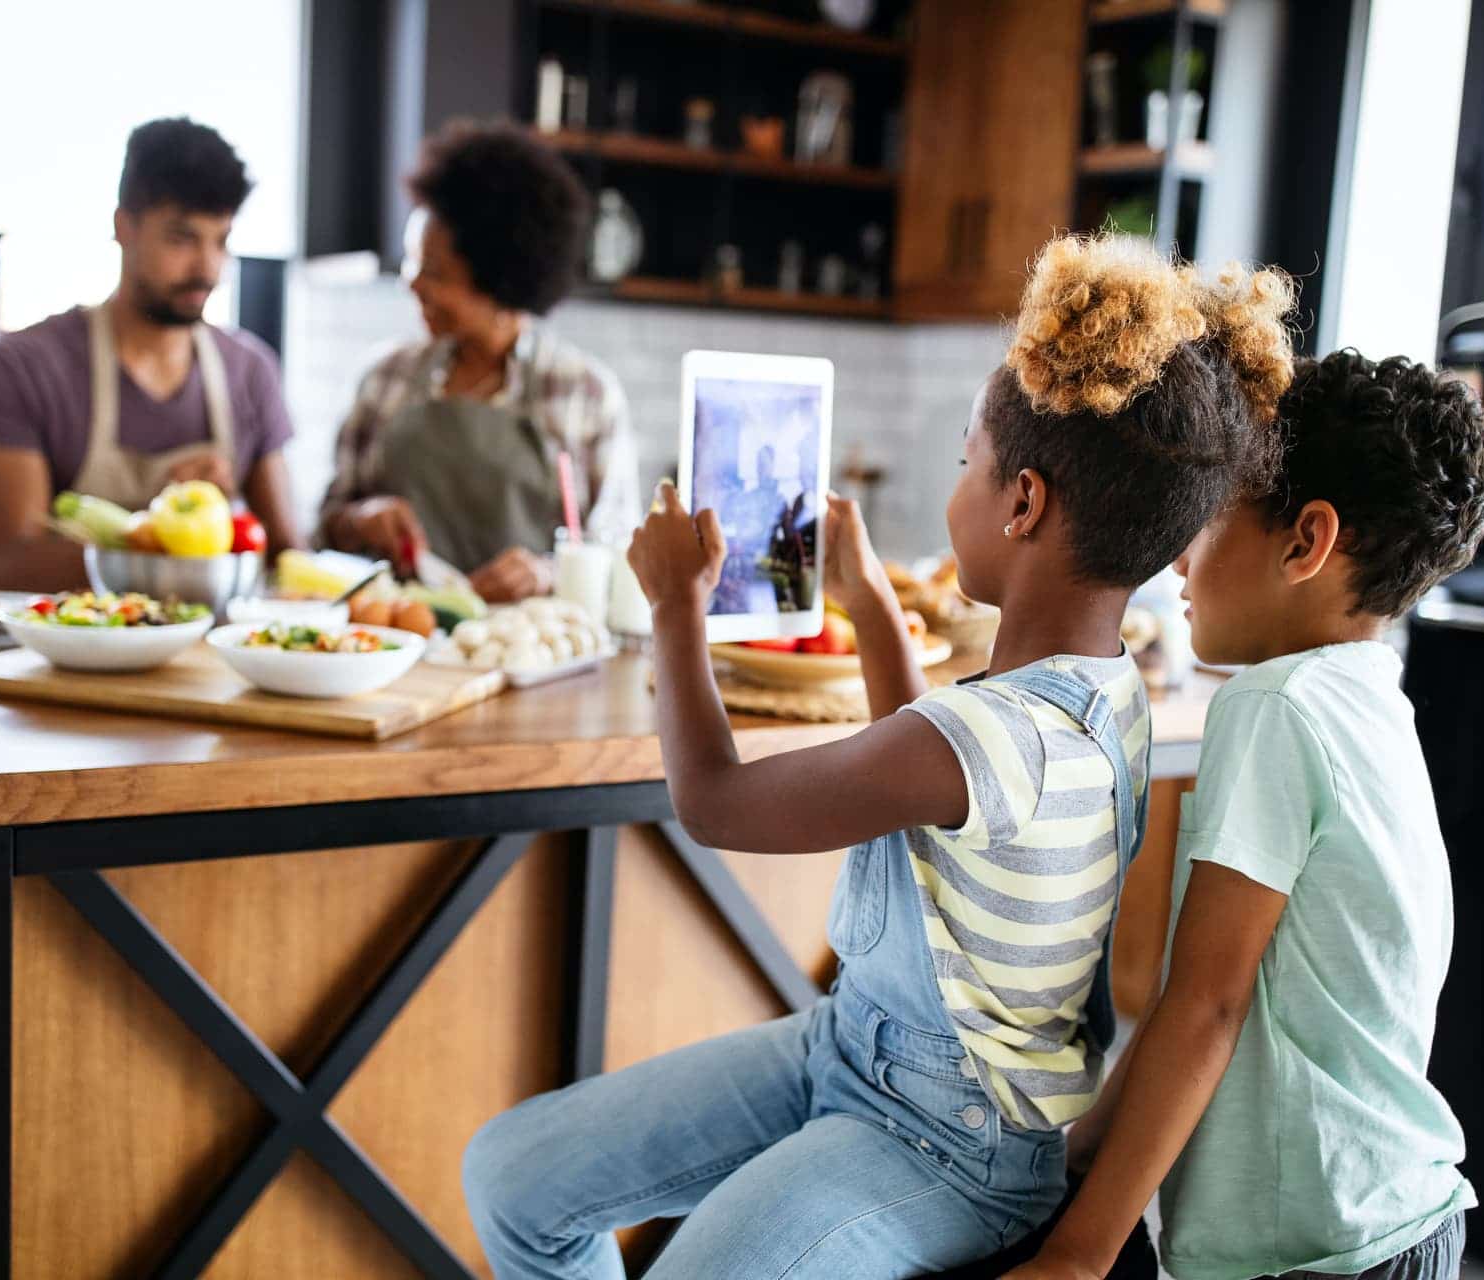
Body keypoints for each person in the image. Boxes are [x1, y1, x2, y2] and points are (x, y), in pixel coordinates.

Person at [460, 236, 1296, 1279]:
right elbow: (936, 786)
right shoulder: (1103, 689)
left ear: (1023, 503)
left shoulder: (995, 735)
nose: (958, 485)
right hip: (851, 1049)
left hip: (949, 1145)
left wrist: (676, 603)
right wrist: (863, 598)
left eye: (965, 462)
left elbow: (716, 803)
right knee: (514, 1176)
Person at [1002, 351, 1484, 1280]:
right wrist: (1079, 1151)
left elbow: (1207, 1005)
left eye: (1213, 511)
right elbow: (1209, 986)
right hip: (1398, 1219)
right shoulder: (1369, 697)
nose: (1181, 554)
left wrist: (1076, 1255)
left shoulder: (1276, 707)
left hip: (1315, 1251)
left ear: (1305, 541)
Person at [0, 117, 304, 590]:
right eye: (181, 238)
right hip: (70, 654)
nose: (207, 269)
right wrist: (163, 532)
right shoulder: (17, 367)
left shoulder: (251, 371)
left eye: (221, 240)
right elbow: (12, 565)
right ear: (124, 227)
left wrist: (224, 516)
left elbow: (285, 556)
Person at [314, 120, 638, 602]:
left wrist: (547, 574)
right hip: (400, 643)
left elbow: (619, 556)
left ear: (502, 282)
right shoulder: (385, 378)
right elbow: (324, 528)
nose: (413, 284)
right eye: (411, 262)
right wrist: (361, 520)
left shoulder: (585, 394)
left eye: (436, 273)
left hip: (530, 651)